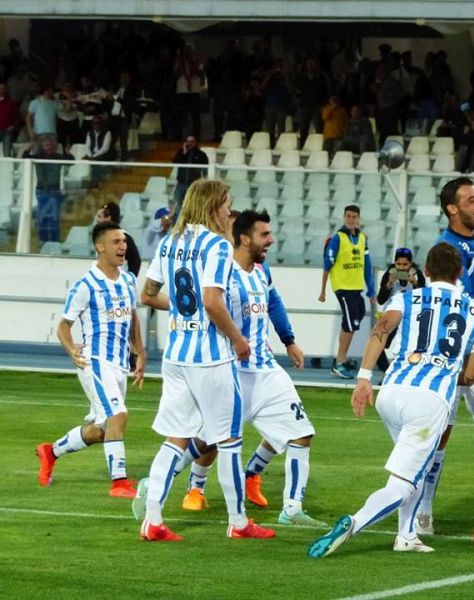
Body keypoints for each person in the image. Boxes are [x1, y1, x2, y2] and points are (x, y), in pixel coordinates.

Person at [308, 242, 474, 558]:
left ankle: (406, 535)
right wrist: (442, 369)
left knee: (416, 468)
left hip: (390, 393)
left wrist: (363, 377)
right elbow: (471, 376)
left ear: (427, 272)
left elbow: (380, 328)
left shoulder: (405, 298)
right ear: (460, 273)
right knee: (404, 481)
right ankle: (354, 522)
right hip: (429, 401)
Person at [135, 179, 274, 541]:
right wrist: (238, 338)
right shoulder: (216, 245)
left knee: (175, 439)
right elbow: (213, 301)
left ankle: (152, 520)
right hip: (211, 358)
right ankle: (239, 522)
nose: (230, 210)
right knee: (228, 441)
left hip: (176, 355)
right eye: (227, 203)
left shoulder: (170, 242)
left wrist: (185, 308)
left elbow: (147, 295)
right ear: (213, 206)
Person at [174, 210, 327, 527]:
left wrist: (289, 340)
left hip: (267, 372)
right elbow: (207, 310)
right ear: (244, 238)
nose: (270, 240)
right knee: (208, 441)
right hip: (230, 372)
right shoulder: (221, 271)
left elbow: (273, 303)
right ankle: (165, 481)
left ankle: (292, 509)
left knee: (301, 434)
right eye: (264, 235)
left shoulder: (260, 271)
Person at [417, 176, 474, 535]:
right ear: (452, 209)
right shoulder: (447, 250)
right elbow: (472, 306)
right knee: (441, 432)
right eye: (471, 201)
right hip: (449, 351)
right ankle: (423, 509)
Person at [35, 222, 145, 497]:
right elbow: (63, 325)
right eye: (117, 242)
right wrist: (72, 350)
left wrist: (140, 352)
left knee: (103, 429)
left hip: (119, 363)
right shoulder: (86, 285)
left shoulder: (128, 280)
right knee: (118, 416)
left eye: (124, 241)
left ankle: (51, 451)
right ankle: (119, 483)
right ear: (100, 246)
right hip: (95, 361)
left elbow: (132, 317)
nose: (123, 247)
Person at [319, 205, 376, 379]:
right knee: (350, 323)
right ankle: (339, 362)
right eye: (349, 216)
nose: (351, 219)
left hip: (356, 287)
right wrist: (323, 290)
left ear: (359, 219)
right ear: (344, 218)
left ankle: (341, 360)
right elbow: (327, 263)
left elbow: (366, 265)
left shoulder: (361, 239)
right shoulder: (338, 238)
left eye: (354, 216)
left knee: (353, 321)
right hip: (343, 287)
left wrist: (371, 290)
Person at [375, 247, 426, 372]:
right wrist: (388, 285)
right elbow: (380, 299)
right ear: (394, 262)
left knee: (411, 347)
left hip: (411, 316)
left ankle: (406, 371)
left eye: (405, 264)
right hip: (392, 315)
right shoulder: (389, 274)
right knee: (378, 342)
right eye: (398, 264)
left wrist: (415, 284)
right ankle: (387, 372)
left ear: (411, 263)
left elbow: (425, 299)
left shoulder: (417, 274)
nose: (402, 268)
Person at [23, 136, 72, 243]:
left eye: (50, 145)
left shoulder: (58, 157)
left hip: (55, 191)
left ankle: (55, 241)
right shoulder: (38, 156)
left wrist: (68, 153)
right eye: (46, 145)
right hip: (41, 191)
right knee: (42, 217)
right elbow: (25, 158)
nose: (48, 147)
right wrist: (28, 148)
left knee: (54, 218)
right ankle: (43, 240)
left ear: (54, 147)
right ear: (43, 146)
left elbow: (70, 162)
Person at [96, 202, 142, 277]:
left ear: (108, 218)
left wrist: (130, 282)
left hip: (119, 284)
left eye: (99, 216)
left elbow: (135, 261)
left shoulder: (124, 237)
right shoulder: (100, 237)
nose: (97, 220)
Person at [172, 135, 208, 210]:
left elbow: (205, 171)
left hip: (193, 185)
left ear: (196, 142)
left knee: (192, 206)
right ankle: (177, 220)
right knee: (176, 205)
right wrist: (184, 153)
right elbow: (175, 162)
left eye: (192, 142)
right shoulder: (181, 152)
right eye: (187, 142)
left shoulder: (201, 155)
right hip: (180, 184)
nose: (190, 144)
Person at [0, 80, 21, 157]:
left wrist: (13, 126)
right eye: (0, 88)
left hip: (6, 131)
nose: (1, 91)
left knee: (7, 153)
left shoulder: (11, 102)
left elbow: (17, 117)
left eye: (3, 89)